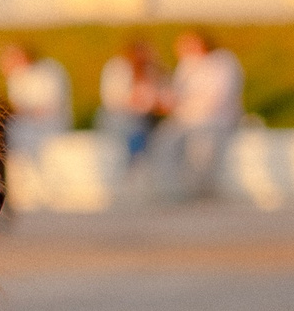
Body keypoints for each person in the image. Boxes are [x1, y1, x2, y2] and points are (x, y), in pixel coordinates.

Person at [164, 32, 244, 198]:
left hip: (217, 120)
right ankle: (172, 191)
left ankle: (203, 191)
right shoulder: (186, 65)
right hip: (186, 120)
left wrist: (188, 106)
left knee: (203, 148)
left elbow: (219, 97)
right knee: (164, 143)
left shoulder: (223, 62)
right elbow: (176, 95)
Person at [0, 41, 71, 163]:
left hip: (49, 130)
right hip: (24, 133)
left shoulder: (49, 71)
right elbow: (17, 107)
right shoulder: (16, 78)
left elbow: (48, 106)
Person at [95, 39, 163, 164]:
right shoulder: (118, 68)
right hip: (119, 119)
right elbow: (114, 99)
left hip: (141, 121)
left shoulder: (149, 70)